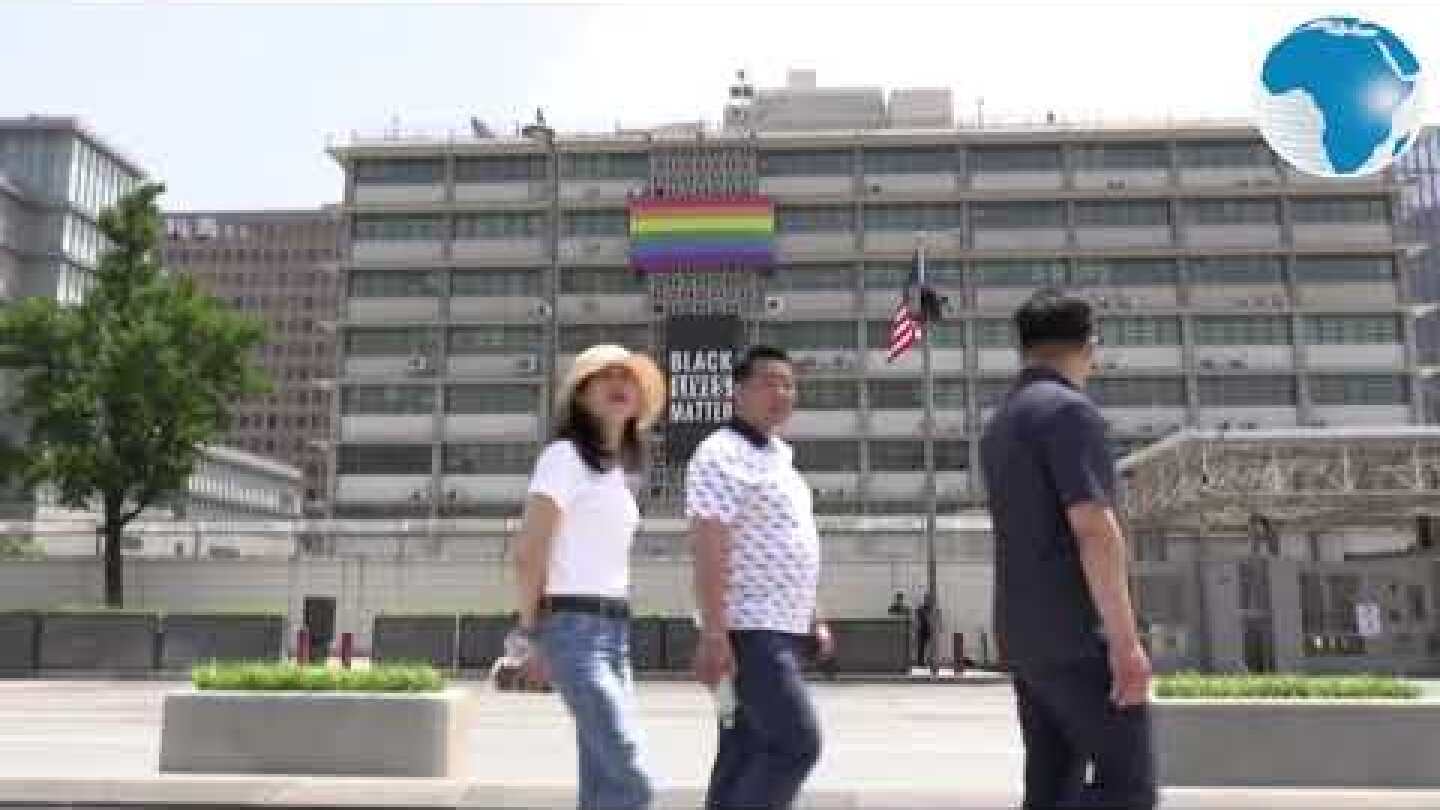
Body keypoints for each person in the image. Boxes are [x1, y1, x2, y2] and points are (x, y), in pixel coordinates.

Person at [980, 290, 1157, 810]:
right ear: (1088, 346)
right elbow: (1094, 529)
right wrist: (1125, 642)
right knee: (1128, 789)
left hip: (1025, 635)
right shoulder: (1070, 413)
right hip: (1079, 634)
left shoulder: (1003, 422)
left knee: (1052, 784)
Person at [512, 344, 666, 810]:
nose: (619, 383)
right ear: (581, 395)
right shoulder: (563, 457)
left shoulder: (617, 475)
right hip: (572, 631)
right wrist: (529, 635)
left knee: (602, 782)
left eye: (628, 377)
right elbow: (529, 551)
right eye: (605, 376)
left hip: (616, 632)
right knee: (630, 774)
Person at [686, 345, 834, 810]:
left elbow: (793, 541)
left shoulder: (779, 459)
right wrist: (715, 633)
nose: (781, 393)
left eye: (788, 385)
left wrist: (813, 614)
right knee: (796, 744)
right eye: (768, 383)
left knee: (743, 751)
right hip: (749, 629)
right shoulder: (721, 453)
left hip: (782, 625)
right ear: (737, 393)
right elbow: (709, 544)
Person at [915, 592, 937, 670]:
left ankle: (929, 661)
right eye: (927, 599)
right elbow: (918, 620)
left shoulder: (932, 609)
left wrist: (933, 628)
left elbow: (933, 620)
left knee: (929, 647)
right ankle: (921, 662)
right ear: (925, 599)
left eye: (930, 600)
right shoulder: (920, 609)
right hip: (922, 630)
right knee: (921, 647)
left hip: (929, 630)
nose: (929, 601)